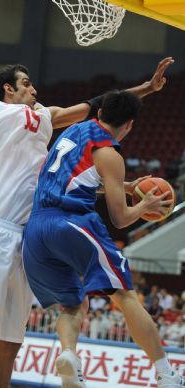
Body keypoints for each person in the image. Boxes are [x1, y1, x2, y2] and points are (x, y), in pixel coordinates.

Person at [0, 57, 174, 388]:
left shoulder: (45, 116)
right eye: (26, 83)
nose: (34, 88)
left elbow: (102, 107)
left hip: (27, 235)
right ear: (8, 88)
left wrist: (147, 88)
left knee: (10, 340)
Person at [22, 90, 184, 388]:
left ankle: (69, 355)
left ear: (99, 114)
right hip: (71, 223)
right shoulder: (110, 153)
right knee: (124, 295)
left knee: (72, 305)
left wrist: (121, 185)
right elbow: (121, 219)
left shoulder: (74, 130)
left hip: (35, 229)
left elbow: (78, 178)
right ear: (130, 125)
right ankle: (165, 373)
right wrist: (144, 206)